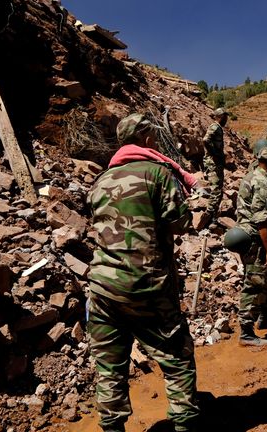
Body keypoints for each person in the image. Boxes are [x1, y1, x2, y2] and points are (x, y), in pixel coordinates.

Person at [87, 114, 199, 432]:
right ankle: (184, 423)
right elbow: (179, 223)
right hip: (144, 284)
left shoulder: (100, 181)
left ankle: (112, 427)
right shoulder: (158, 173)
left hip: (102, 287)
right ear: (148, 139)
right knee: (177, 354)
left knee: (110, 363)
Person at [235, 141, 267, 346]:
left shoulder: (252, 176)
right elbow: (261, 219)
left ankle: (264, 315)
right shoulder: (263, 182)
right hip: (256, 240)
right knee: (254, 283)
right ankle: (246, 332)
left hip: (249, 237)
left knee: (261, 279)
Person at [203, 108, 229, 228]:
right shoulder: (215, 127)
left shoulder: (218, 128)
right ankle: (209, 217)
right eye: (225, 116)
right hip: (213, 163)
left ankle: (212, 216)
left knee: (217, 189)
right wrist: (215, 153)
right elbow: (206, 140)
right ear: (220, 116)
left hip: (216, 162)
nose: (226, 119)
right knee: (216, 190)